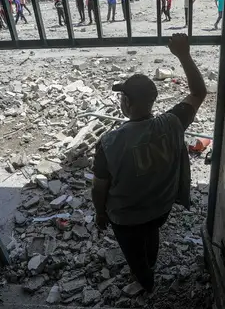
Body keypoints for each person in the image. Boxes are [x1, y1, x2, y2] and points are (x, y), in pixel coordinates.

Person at [91, 33, 206, 294]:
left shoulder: (109, 143)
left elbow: (99, 189)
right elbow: (199, 91)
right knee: (151, 232)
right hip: (160, 209)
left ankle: (145, 281)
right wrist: (184, 55)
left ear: (127, 103)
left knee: (133, 252)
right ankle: (151, 264)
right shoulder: (173, 123)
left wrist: (100, 213)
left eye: (122, 97)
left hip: (127, 217)